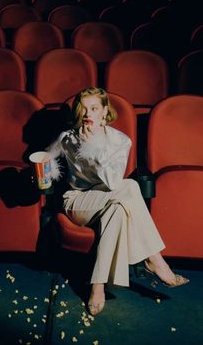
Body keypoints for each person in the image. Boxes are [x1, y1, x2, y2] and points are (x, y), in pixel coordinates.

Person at [41, 87, 189, 316]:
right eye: (84, 108)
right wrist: (41, 172)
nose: (88, 114)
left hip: (110, 197)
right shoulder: (67, 138)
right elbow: (46, 159)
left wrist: (94, 152)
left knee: (119, 209)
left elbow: (111, 184)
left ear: (104, 112)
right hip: (77, 202)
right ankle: (155, 260)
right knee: (130, 187)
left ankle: (97, 285)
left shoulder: (121, 141)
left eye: (94, 108)